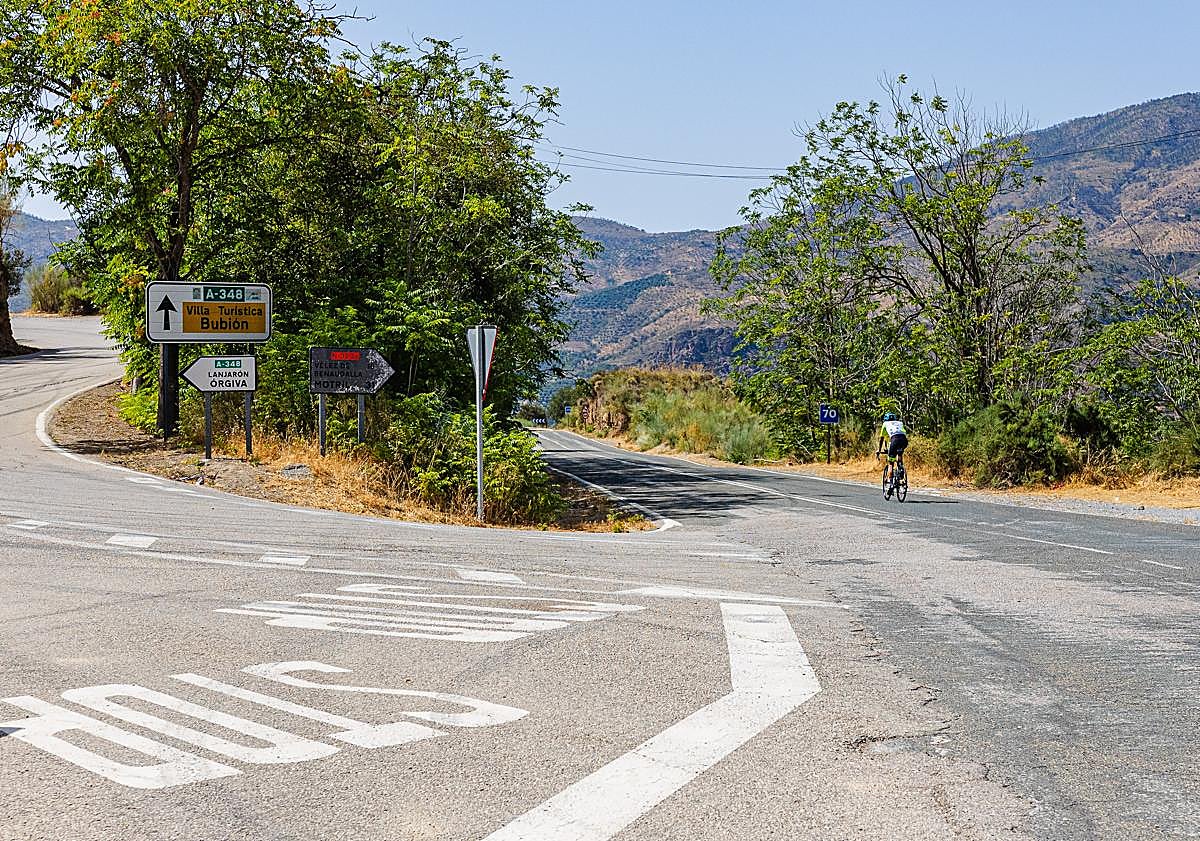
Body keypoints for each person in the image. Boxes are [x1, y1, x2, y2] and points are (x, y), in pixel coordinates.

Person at [876, 412, 908, 491]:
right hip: (904, 440)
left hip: (894, 440)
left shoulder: (885, 424)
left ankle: (890, 484)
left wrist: (879, 450)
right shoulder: (900, 423)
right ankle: (900, 469)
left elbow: (882, 439)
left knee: (891, 463)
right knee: (899, 453)